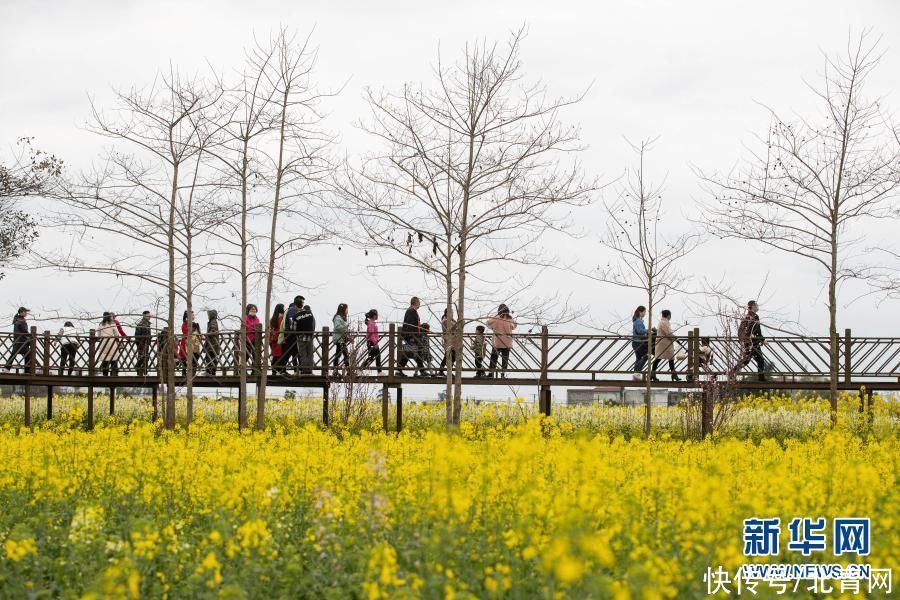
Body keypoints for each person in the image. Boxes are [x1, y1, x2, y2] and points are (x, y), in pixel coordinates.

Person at [398, 296, 429, 377]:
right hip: (411, 336)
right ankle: (422, 371)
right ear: (415, 303)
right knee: (413, 352)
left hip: (413, 336)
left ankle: (399, 370)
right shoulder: (411, 311)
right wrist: (411, 337)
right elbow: (410, 325)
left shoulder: (411, 311)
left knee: (410, 353)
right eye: (419, 303)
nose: (420, 304)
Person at [738, 300, 766, 382]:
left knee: (758, 360)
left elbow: (744, 330)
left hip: (751, 342)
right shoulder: (753, 317)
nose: (757, 306)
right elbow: (756, 330)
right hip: (752, 343)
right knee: (748, 360)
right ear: (753, 306)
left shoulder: (748, 316)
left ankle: (761, 378)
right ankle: (732, 372)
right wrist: (762, 340)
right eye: (756, 305)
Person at [486, 304, 517, 378]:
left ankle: (491, 373)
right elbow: (515, 325)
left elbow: (487, 323)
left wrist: (495, 317)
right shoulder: (510, 319)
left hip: (497, 341)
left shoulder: (496, 318)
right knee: (505, 358)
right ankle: (503, 374)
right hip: (507, 342)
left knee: (494, 357)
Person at [652, 309, 680, 382]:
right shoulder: (664, 322)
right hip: (664, 344)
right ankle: (653, 374)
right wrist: (674, 337)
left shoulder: (663, 322)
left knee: (668, 358)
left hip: (665, 343)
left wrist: (673, 337)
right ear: (668, 315)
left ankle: (653, 374)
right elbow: (668, 333)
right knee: (661, 358)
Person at [279, 296, 304, 374]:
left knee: (296, 353)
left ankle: (299, 369)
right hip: (290, 335)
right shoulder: (292, 310)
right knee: (288, 352)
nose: (302, 304)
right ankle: (282, 369)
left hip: (294, 335)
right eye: (302, 302)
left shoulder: (296, 310)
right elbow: (291, 322)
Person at [295, 304, 316, 374]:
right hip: (310, 337)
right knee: (310, 354)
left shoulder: (298, 315)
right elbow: (313, 326)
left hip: (301, 338)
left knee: (303, 354)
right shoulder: (311, 315)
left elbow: (294, 327)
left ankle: (304, 370)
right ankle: (309, 370)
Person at [438, 308, 457, 377]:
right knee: (448, 356)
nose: (453, 314)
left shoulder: (452, 320)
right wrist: (457, 325)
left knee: (452, 356)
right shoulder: (445, 321)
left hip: (454, 341)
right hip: (448, 340)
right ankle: (442, 371)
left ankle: (446, 371)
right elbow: (450, 329)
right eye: (451, 312)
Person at [362, 309, 382, 373]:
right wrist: (375, 342)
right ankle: (361, 369)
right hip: (371, 342)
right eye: (377, 314)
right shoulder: (371, 323)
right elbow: (371, 334)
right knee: (371, 357)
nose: (377, 316)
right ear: (374, 316)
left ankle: (379, 372)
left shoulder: (372, 322)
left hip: (373, 342)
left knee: (377, 356)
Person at [332, 303, 350, 368]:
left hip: (342, 339)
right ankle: (347, 370)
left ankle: (336, 369)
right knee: (344, 355)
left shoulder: (341, 317)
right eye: (346, 309)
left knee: (339, 354)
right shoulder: (338, 317)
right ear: (343, 309)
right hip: (339, 339)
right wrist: (345, 326)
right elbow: (337, 327)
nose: (347, 310)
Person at [632, 306, 649, 376]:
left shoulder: (637, 320)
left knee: (638, 358)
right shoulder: (638, 321)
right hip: (638, 342)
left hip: (635, 342)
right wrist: (648, 331)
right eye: (644, 312)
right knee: (645, 356)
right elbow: (639, 331)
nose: (645, 314)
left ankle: (636, 373)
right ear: (640, 312)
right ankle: (637, 371)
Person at [135, 311, 152, 376]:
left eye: (150, 315)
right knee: (142, 357)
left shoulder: (147, 324)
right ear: (144, 316)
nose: (150, 316)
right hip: (142, 344)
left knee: (146, 357)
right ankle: (140, 371)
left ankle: (144, 371)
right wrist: (140, 343)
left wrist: (149, 340)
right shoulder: (141, 324)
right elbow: (137, 335)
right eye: (148, 315)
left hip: (146, 343)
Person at [269, 303, 285, 374]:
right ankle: (280, 370)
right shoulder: (281, 318)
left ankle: (274, 371)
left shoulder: (272, 319)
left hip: (273, 339)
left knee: (275, 355)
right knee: (280, 355)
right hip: (280, 338)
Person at [204, 309, 220, 376]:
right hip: (212, 344)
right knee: (212, 357)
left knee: (209, 357)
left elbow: (214, 331)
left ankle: (209, 371)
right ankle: (212, 371)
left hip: (212, 344)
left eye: (208, 315)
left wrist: (207, 334)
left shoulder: (213, 322)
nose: (208, 316)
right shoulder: (212, 322)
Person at [245, 304, 261, 368]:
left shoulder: (257, 319)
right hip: (247, 340)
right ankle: (241, 369)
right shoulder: (246, 318)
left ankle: (254, 370)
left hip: (256, 340)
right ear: (248, 310)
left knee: (255, 355)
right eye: (252, 309)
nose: (253, 310)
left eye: (254, 309)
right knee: (247, 355)